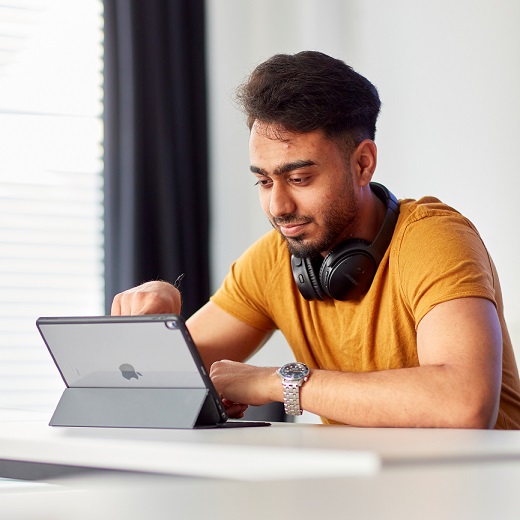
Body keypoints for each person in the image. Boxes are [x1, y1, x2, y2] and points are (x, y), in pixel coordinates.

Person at [111, 51, 520, 429]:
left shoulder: (433, 238)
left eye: (299, 178)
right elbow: (147, 384)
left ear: (362, 164)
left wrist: (278, 383)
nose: (278, 205)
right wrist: (157, 315)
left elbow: (462, 405)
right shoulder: (275, 260)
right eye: (263, 180)